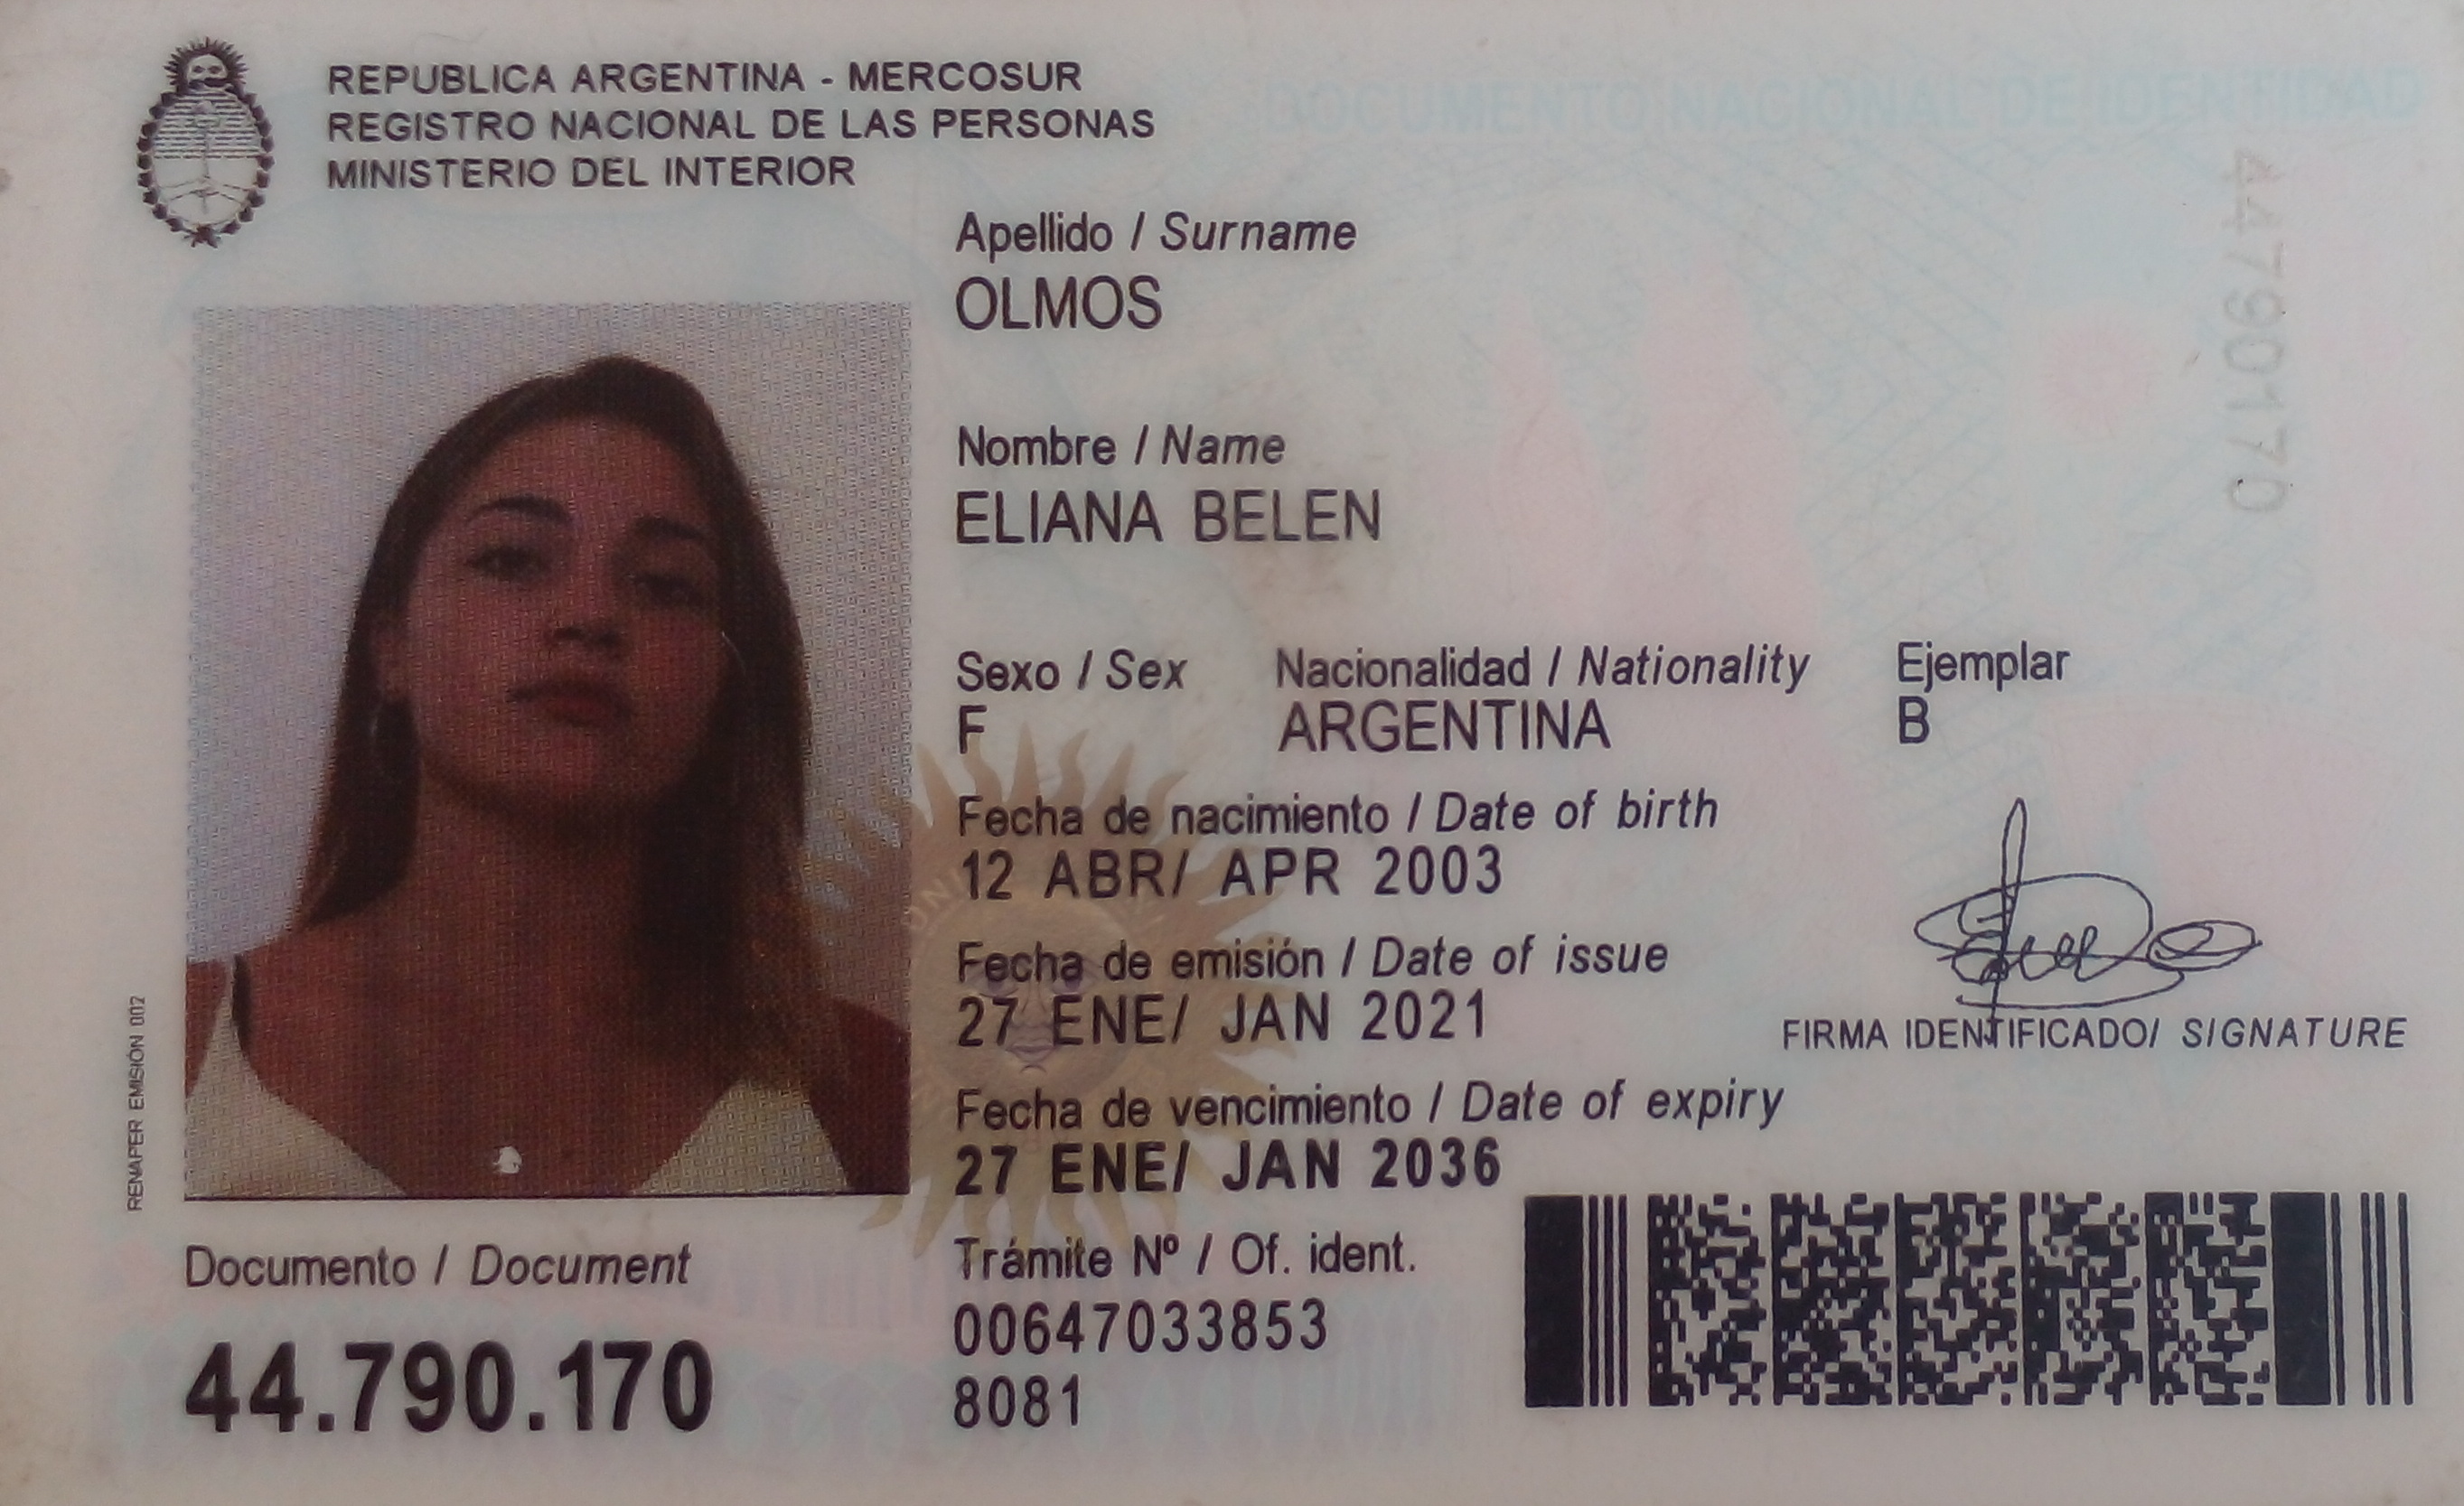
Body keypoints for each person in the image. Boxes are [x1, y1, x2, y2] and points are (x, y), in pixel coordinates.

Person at [185, 355, 904, 1197]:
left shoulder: (863, 1090)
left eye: (664, 584)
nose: (591, 616)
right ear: (391, 647)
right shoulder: (177, 1045)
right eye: (512, 561)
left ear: (725, 680)